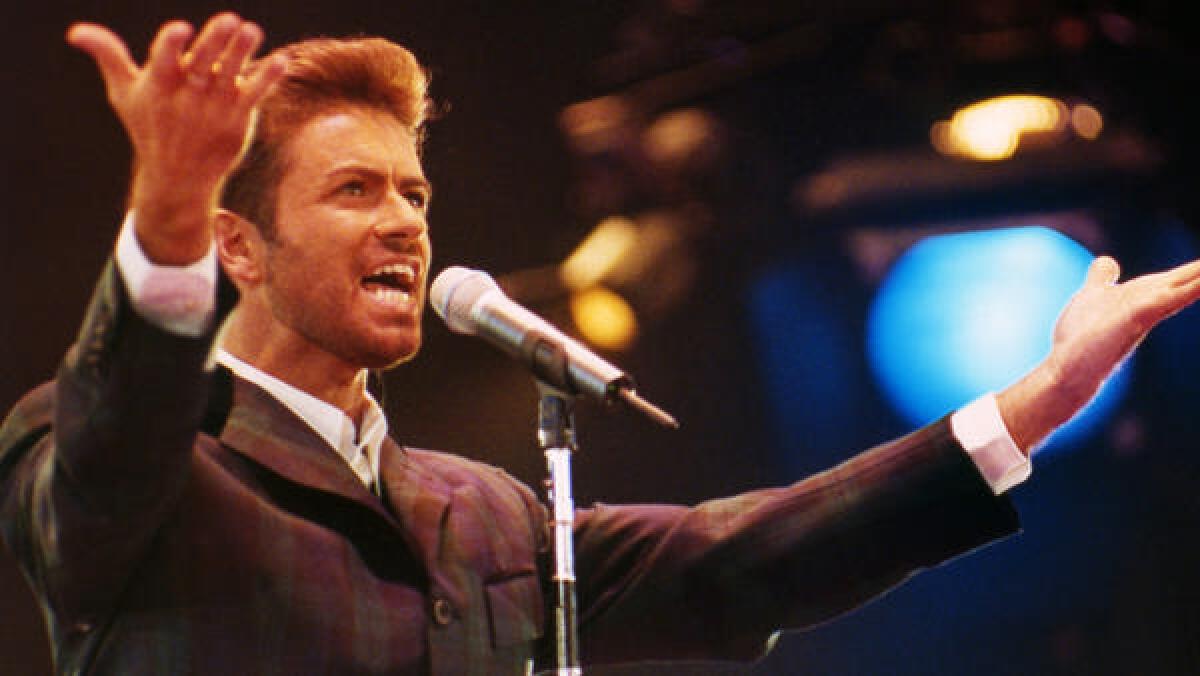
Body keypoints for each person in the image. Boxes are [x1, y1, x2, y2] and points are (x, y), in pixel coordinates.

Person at [2, 11, 1198, 675]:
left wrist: (1039, 400)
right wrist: (162, 217)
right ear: (242, 248)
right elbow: (120, 426)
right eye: (356, 190)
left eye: (416, 194)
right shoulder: (123, 466)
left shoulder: (488, 514)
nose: (407, 223)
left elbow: (741, 559)